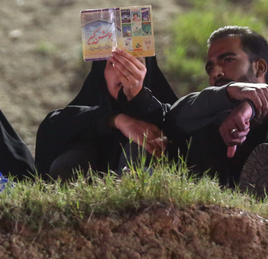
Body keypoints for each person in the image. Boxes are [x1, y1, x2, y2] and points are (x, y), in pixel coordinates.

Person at [162, 26, 268, 199]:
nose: (215, 72)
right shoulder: (209, 116)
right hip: (227, 216)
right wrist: (230, 93)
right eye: (210, 68)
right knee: (201, 129)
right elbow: (171, 117)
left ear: (260, 68)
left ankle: (264, 198)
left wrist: (250, 106)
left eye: (228, 60)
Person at [34, 48, 179, 180]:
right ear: (101, 72)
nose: (123, 71)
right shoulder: (78, 115)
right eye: (112, 63)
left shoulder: (174, 114)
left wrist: (138, 97)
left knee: (141, 147)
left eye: (133, 63)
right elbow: (53, 128)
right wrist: (116, 120)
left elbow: (174, 128)